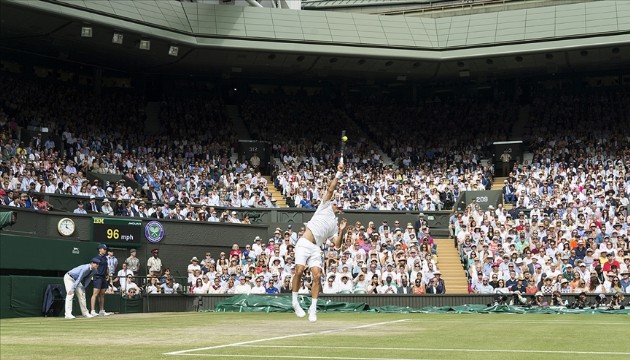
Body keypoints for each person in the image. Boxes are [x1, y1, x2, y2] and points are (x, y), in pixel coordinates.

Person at [292, 160, 348, 322]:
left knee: (317, 276)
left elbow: (337, 245)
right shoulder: (324, 205)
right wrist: (338, 173)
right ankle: (295, 302)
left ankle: (313, 308)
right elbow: (331, 188)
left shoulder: (334, 225)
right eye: (336, 203)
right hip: (304, 243)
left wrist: (341, 231)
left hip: (316, 248)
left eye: (340, 206)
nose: (337, 205)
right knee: (300, 270)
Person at [90, 244, 113, 316]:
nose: (105, 250)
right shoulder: (96, 258)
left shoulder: (105, 258)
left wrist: (108, 274)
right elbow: (92, 267)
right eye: (104, 249)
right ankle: (92, 311)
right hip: (97, 277)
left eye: (105, 249)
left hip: (103, 277)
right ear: (100, 249)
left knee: (102, 294)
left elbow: (107, 268)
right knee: (95, 294)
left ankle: (102, 310)